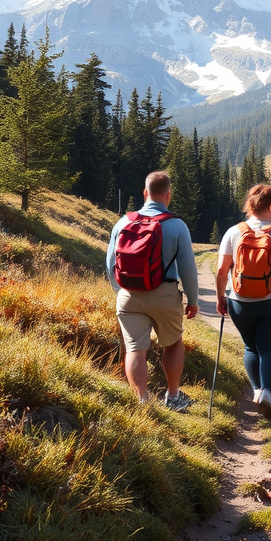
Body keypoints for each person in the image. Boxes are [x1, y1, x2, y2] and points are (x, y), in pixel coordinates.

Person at [106, 171, 199, 411]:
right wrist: (193, 300)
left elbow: (109, 264)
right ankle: (173, 396)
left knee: (135, 348)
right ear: (168, 195)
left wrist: (121, 291)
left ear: (145, 193)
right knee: (174, 343)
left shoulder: (123, 222)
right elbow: (188, 269)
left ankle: (142, 402)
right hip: (165, 294)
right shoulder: (176, 225)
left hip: (129, 296)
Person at [216, 183, 271, 420]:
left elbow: (222, 272)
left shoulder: (233, 232)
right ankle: (267, 393)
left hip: (239, 302)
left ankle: (257, 390)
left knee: (250, 347)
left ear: (250, 205)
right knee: (267, 347)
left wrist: (221, 297)